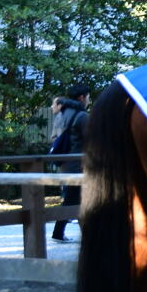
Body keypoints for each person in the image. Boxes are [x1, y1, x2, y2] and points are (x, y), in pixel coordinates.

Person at [50, 84, 90, 242]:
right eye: (88, 97)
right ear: (81, 97)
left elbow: (54, 138)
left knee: (76, 198)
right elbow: (92, 140)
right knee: (73, 199)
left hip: (65, 163)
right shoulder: (82, 116)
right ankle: (58, 233)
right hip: (78, 164)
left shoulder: (61, 114)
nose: (89, 100)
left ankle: (84, 234)